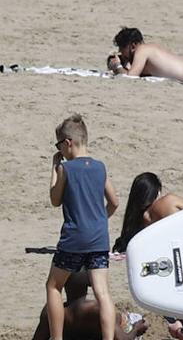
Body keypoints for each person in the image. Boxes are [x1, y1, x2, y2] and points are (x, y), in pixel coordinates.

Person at [46, 114, 119, 340]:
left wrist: (54, 169)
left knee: (53, 286)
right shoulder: (100, 167)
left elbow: (55, 199)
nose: (59, 149)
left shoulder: (67, 169)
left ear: (68, 142)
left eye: (59, 145)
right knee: (102, 292)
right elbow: (115, 202)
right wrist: (99, 219)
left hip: (74, 238)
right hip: (98, 237)